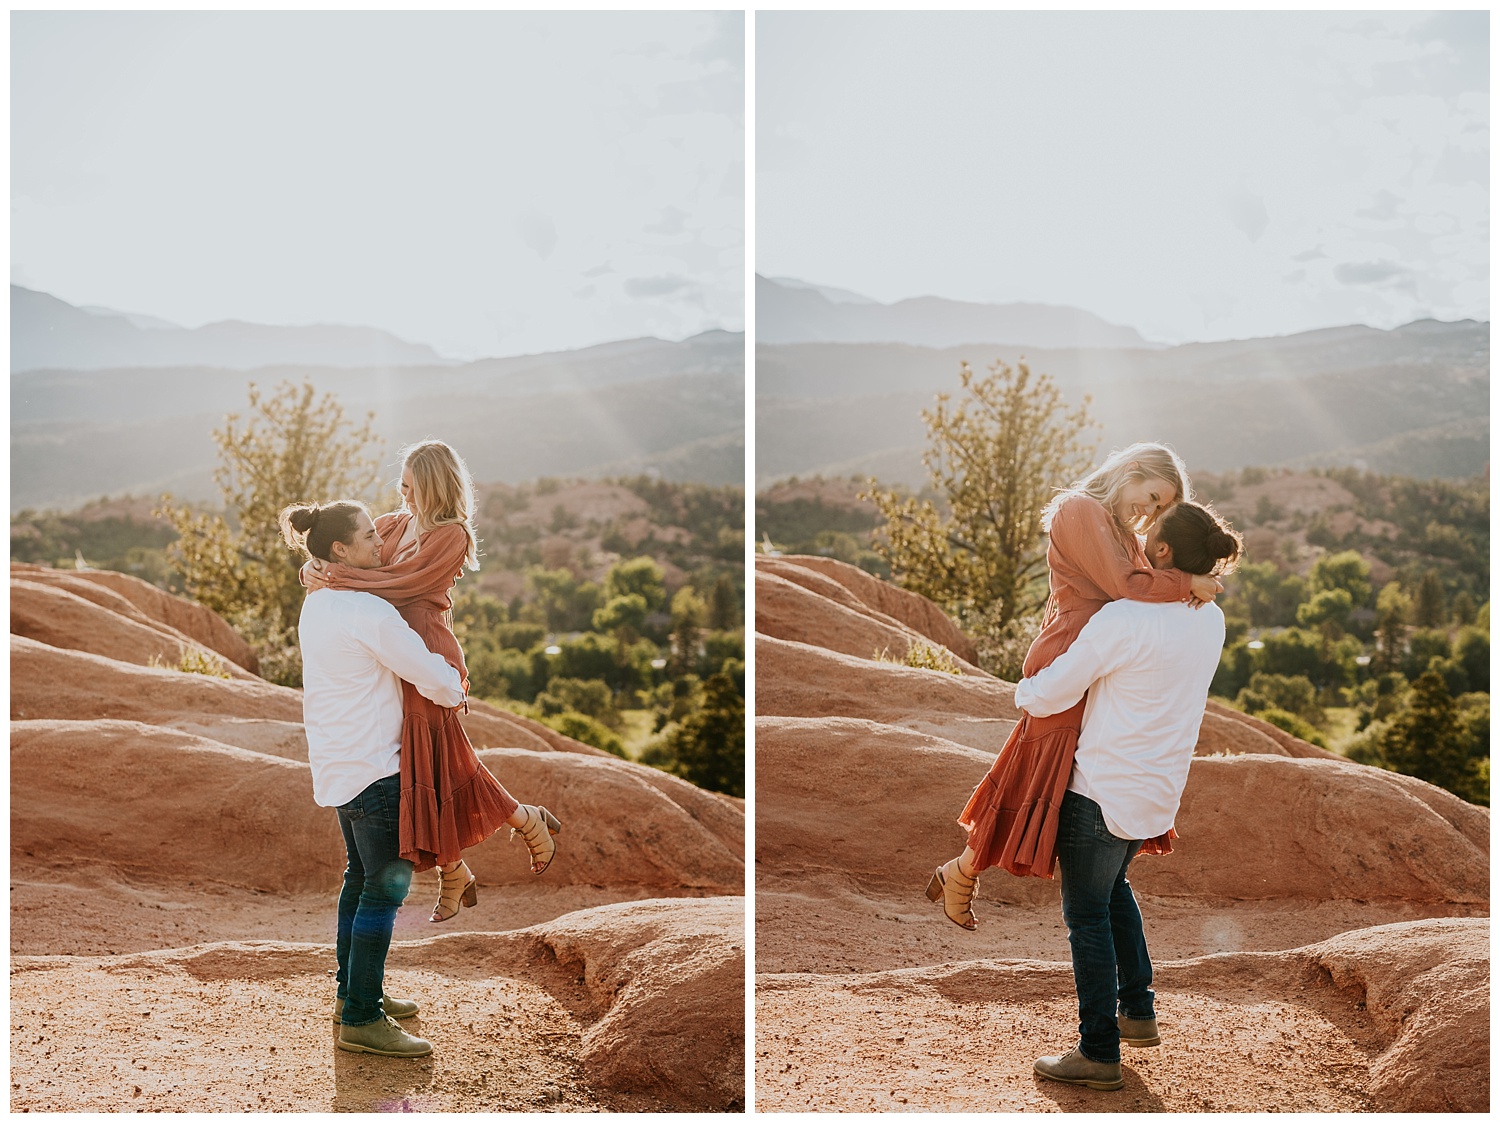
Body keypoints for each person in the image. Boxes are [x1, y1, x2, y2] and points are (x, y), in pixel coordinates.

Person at [927, 443, 1223, 930]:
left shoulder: (1121, 530)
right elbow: (1131, 586)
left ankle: (959, 872)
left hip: (1101, 656)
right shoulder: (1080, 509)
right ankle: (962, 873)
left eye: (1160, 509)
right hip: (1071, 654)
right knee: (1038, 779)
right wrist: (1186, 582)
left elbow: (1138, 591)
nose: (1149, 513)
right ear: (1129, 470)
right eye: (1151, 496)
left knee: (1058, 785)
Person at [1016, 501, 1243, 1090]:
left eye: (1145, 538)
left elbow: (1052, 693)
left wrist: (1024, 689)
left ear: (1161, 553)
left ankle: (1098, 1052)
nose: (1135, 546)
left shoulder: (1123, 618)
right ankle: (1137, 1014)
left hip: (1099, 788)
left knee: (1086, 915)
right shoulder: (1210, 619)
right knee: (1114, 890)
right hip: (1156, 791)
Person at [303, 440, 561, 923]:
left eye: (413, 488)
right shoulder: (394, 524)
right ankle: (464, 862)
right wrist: (314, 567)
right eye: (401, 486)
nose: (404, 497)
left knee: (436, 762)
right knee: (427, 765)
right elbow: (343, 552)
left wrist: (335, 577)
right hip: (388, 650)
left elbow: (402, 585)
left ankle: (501, 837)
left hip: (424, 649)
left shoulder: (451, 535)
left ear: (436, 488)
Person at [280, 499, 465, 1058]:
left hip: (342, 766)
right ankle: (362, 1017)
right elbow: (431, 676)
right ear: (340, 550)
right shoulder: (368, 612)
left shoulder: (318, 604)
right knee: (384, 894)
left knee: (358, 883)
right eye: (367, 537)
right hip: (380, 771)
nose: (379, 544)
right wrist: (457, 687)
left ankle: (353, 994)